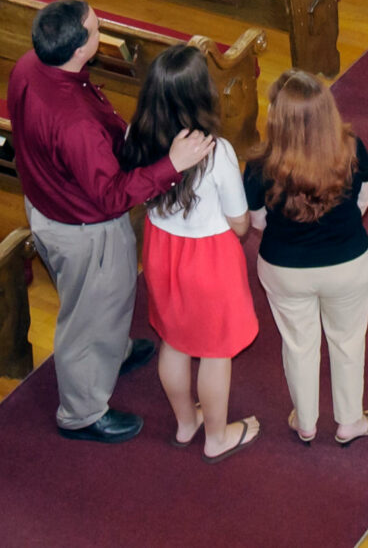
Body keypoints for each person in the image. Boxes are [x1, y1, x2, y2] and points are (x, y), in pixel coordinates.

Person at [7, 0, 213, 443]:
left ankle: (113, 351)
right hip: (85, 229)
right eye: (96, 27)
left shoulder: (29, 66)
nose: (103, 26)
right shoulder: (75, 126)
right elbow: (113, 196)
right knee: (87, 315)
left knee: (104, 302)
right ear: (80, 49)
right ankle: (81, 413)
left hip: (47, 203)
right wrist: (172, 165)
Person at [124, 45, 261, 461]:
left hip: (162, 250)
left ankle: (187, 423)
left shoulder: (137, 134)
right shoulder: (216, 152)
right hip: (209, 256)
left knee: (175, 340)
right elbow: (240, 222)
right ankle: (217, 437)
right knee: (216, 351)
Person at [243, 71, 368, 446]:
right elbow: (363, 201)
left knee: (298, 343)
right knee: (348, 339)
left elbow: (257, 221)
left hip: (284, 268)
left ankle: (305, 421)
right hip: (348, 263)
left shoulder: (259, 164)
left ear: (277, 116)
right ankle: (350, 421)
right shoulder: (351, 148)